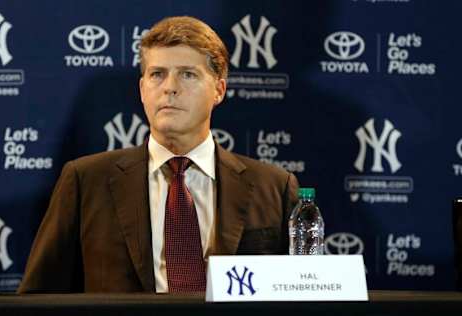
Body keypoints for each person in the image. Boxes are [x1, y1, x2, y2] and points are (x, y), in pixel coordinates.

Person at [18, 16, 299, 293]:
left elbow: (304, 294)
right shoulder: (85, 181)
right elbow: (39, 298)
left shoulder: (274, 187)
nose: (169, 87)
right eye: (157, 74)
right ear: (142, 90)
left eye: (188, 74)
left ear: (219, 90)